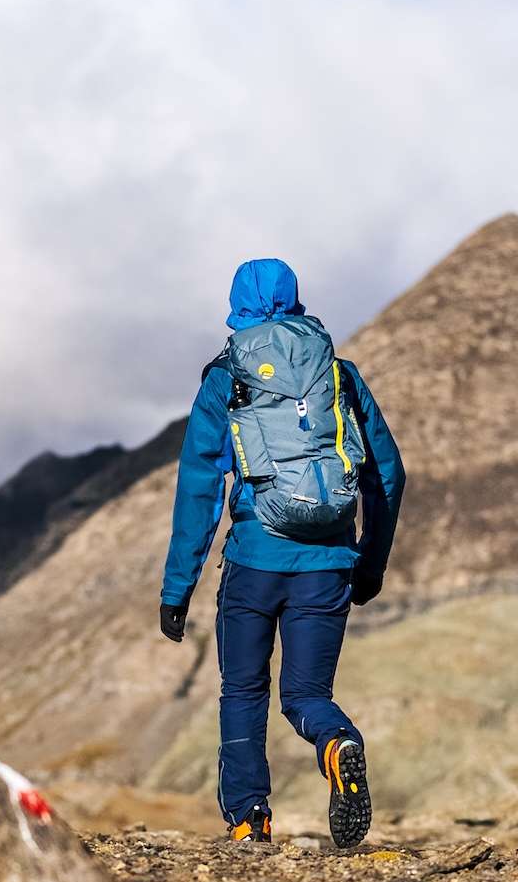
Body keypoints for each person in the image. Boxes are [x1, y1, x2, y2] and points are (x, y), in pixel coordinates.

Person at [158, 258, 405, 847]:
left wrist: (177, 589)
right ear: (297, 301)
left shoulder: (227, 379)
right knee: (306, 695)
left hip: (253, 565)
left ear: (237, 304)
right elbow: (388, 475)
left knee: (243, 692)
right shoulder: (339, 375)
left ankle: (249, 818)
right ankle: (336, 741)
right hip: (328, 567)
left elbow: (199, 488)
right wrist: (368, 562)